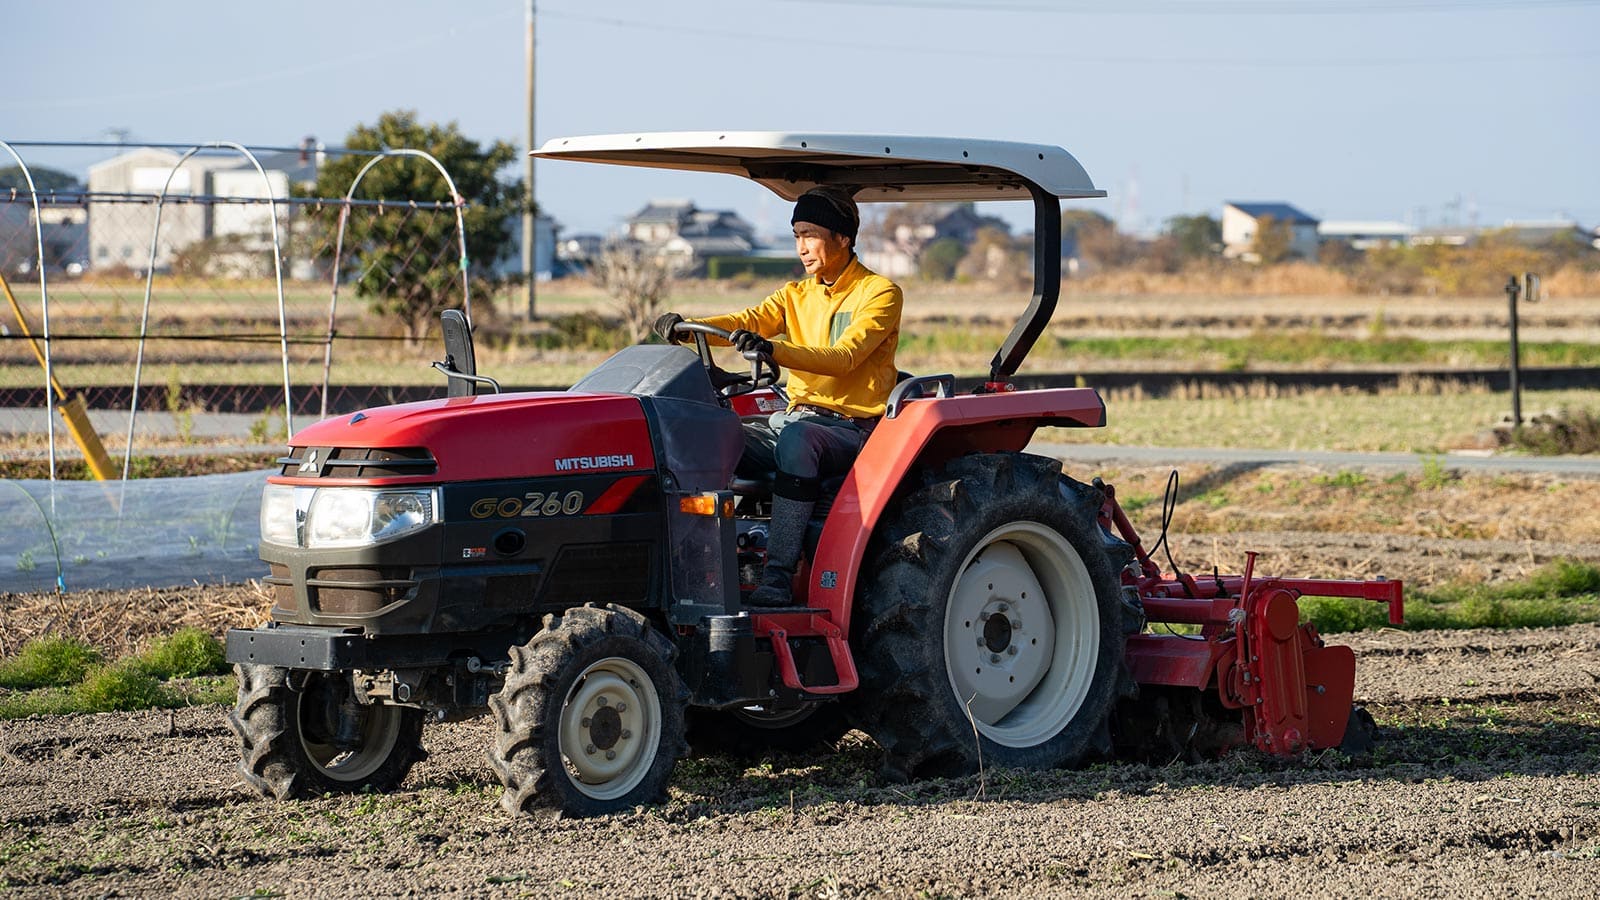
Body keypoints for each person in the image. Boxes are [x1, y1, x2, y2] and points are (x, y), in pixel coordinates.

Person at [653, 186, 903, 607]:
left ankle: (777, 577)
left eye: (811, 234)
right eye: (796, 235)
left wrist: (773, 349)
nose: (802, 247)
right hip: (795, 418)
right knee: (710, 435)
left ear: (842, 237)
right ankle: (694, 570)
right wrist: (688, 325)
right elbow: (746, 320)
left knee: (797, 440)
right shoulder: (795, 294)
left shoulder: (879, 294)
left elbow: (845, 358)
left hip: (849, 429)